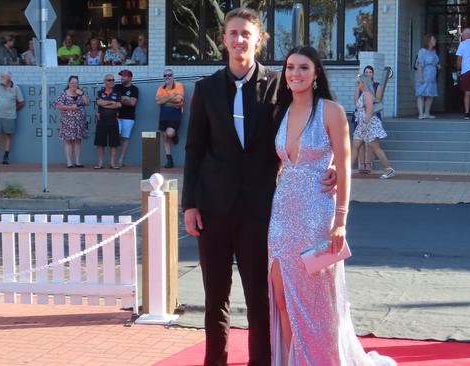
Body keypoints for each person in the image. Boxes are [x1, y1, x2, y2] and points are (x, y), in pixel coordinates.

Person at [182, 9, 335, 366]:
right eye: (232, 33)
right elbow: (194, 149)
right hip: (213, 210)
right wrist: (190, 204)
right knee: (215, 297)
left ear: (258, 40)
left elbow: (308, 126)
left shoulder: (279, 86)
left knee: (259, 298)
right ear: (223, 39)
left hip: (263, 210)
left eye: (246, 34)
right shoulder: (205, 89)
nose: (239, 40)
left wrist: (333, 168)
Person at [268, 45, 396, 366]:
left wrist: (341, 220)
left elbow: (344, 162)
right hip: (281, 214)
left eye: (303, 68)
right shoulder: (279, 112)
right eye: (290, 67)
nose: (295, 73)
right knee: (282, 297)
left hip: (318, 217)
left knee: (318, 302)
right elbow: (275, 164)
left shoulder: (331, 111)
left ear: (315, 74)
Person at [352, 74, 396, 179]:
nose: (357, 84)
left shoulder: (367, 94)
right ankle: (346, 170)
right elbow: (357, 105)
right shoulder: (363, 94)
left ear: (363, 83)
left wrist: (365, 125)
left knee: (375, 147)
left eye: (359, 82)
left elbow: (370, 110)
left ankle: (389, 169)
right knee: (355, 147)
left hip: (368, 125)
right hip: (362, 125)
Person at [53, 75, 90, 168]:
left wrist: (81, 94)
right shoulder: (64, 93)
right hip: (68, 121)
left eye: (76, 83)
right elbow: (57, 106)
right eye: (72, 83)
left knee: (78, 141)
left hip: (79, 121)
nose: (74, 84)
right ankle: (69, 162)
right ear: (68, 83)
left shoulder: (80, 92)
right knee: (69, 141)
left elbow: (87, 102)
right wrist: (71, 108)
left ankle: (77, 162)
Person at [0, 71, 25, 164]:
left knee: (7, 136)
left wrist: (13, 109)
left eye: (3, 77)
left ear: (9, 79)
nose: (1, 78)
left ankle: (6, 157)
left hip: (10, 117)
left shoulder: (16, 88)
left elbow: (22, 102)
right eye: (1, 76)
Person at [353, 65, 381, 174]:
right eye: (366, 72)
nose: (368, 74)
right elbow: (356, 102)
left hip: (373, 116)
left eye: (370, 72)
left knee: (371, 142)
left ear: (373, 74)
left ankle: (368, 164)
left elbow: (377, 102)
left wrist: (368, 109)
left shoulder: (377, 86)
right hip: (360, 117)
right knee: (359, 143)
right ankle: (361, 164)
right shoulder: (359, 86)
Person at [156, 69, 184, 169]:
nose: (167, 77)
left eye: (169, 75)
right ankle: (169, 159)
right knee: (164, 137)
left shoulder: (179, 85)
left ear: (173, 76)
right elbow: (158, 101)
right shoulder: (160, 88)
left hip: (175, 115)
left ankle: (174, 134)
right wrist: (171, 97)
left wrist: (165, 100)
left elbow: (179, 100)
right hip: (163, 115)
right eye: (165, 75)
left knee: (169, 134)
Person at [94, 73, 122, 169]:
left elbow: (118, 105)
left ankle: (112, 163)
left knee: (113, 144)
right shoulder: (99, 92)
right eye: (109, 80)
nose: (112, 82)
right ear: (105, 82)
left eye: (113, 80)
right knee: (100, 143)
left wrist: (104, 104)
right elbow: (99, 102)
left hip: (113, 121)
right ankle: (100, 163)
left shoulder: (117, 93)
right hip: (101, 121)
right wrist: (111, 102)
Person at [114, 69, 139, 167]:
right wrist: (125, 99)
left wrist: (121, 98)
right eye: (121, 76)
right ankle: (113, 161)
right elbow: (113, 99)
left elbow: (132, 103)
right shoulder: (117, 87)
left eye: (124, 76)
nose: (122, 78)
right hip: (116, 116)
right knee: (116, 137)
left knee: (125, 138)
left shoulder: (134, 89)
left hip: (128, 117)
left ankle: (120, 161)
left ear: (130, 78)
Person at [415, 34, 440, 119]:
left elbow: (436, 62)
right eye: (433, 40)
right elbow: (419, 65)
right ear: (428, 41)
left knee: (430, 95)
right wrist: (420, 77)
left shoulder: (433, 52)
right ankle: (421, 114)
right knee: (421, 94)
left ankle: (427, 113)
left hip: (432, 77)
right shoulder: (422, 51)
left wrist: (438, 66)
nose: (435, 41)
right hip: (424, 75)